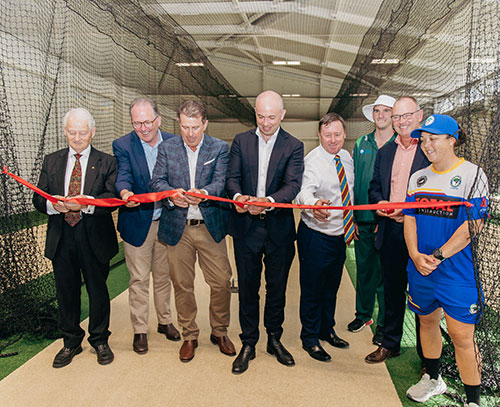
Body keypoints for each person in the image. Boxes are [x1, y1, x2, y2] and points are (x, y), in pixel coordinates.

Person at [404, 114, 488, 406]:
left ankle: (473, 400)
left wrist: (439, 256)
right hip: (421, 267)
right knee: (426, 322)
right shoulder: (418, 177)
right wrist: (415, 255)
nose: (426, 145)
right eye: (423, 139)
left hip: (456, 271)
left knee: (461, 335)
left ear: (452, 139)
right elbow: (410, 220)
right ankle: (432, 378)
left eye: (433, 138)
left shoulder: (472, 175)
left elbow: (474, 224)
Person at [150, 100, 235, 363]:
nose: (190, 133)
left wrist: (206, 193)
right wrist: (171, 195)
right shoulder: (166, 148)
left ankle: (219, 331)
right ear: (179, 124)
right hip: (178, 228)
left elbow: (222, 181)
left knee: (221, 281)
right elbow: (157, 180)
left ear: (205, 124)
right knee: (182, 285)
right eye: (185, 127)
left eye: (195, 127)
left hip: (209, 227)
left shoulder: (220, 148)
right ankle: (190, 335)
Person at [226, 90, 304, 374]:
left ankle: (274, 338)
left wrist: (267, 202)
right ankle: (249, 342)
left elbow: (293, 185)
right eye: (260, 116)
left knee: (277, 288)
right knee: (247, 288)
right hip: (246, 228)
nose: (266, 122)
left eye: (271, 116)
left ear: (282, 114)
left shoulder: (293, 145)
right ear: (255, 114)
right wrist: (238, 198)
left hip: (278, 229)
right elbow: (231, 178)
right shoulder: (241, 141)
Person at [33, 108, 118, 367]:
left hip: (93, 234)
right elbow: (39, 197)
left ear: (92, 132)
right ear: (65, 132)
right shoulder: (52, 161)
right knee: (66, 292)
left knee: (97, 290)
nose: (78, 137)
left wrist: (86, 203)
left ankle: (100, 339)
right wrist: (53, 206)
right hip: (62, 236)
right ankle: (70, 341)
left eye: (83, 132)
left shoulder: (107, 162)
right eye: (72, 132)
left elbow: (111, 199)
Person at [112, 98, 180, 355]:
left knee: (164, 277)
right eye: (137, 123)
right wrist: (125, 192)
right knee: (139, 278)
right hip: (137, 222)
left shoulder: (174, 142)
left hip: (167, 222)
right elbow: (124, 174)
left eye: (148, 122)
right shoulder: (123, 145)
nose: (143, 128)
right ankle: (140, 329)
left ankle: (165, 322)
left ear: (158, 120)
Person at [365, 96, 430, 364]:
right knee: (392, 290)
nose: (402, 122)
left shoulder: (429, 149)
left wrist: (413, 213)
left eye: (407, 116)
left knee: (423, 293)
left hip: (422, 233)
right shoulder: (385, 152)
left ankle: (429, 356)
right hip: (390, 231)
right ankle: (390, 343)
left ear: (419, 116)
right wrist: (379, 204)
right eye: (397, 117)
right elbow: (374, 188)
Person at [295, 113, 353, 362]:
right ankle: (309, 338)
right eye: (327, 135)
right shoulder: (313, 161)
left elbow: (349, 193)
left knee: (331, 288)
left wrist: (353, 222)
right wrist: (313, 204)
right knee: (312, 289)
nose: (332, 140)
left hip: (339, 235)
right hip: (315, 236)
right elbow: (302, 193)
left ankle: (326, 329)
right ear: (319, 135)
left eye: (337, 135)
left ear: (344, 135)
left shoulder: (347, 157)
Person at [348, 95, 396, 345]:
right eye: (377, 111)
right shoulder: (361, 143)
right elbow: (356, 179)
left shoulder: (401, 145)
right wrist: (355, 216)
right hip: (363, 218)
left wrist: (386, 215)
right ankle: (363, 315)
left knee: (385, 275)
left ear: (393, 115)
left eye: (385, 111)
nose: (380, 115)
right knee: (365, 270)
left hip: (389, 220)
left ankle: (384, 324)